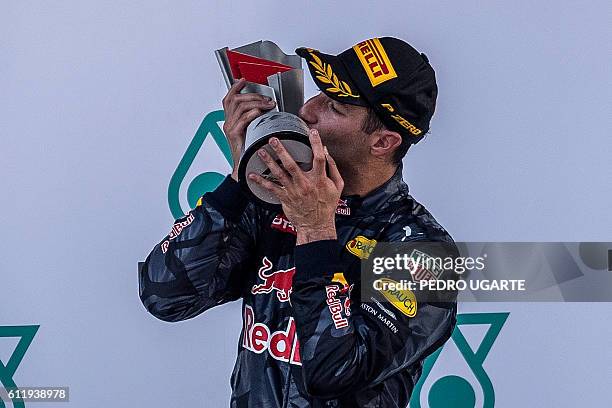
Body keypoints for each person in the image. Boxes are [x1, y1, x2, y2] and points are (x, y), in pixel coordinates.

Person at [139, 37, 458, 408]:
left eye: (334, 106)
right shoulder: (275, 205)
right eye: (318, 93)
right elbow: (165, 297)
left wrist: (317, 231)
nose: (308, 110)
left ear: (383, 142)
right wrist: (241, 180)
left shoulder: (421, 251)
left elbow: (334, 371)